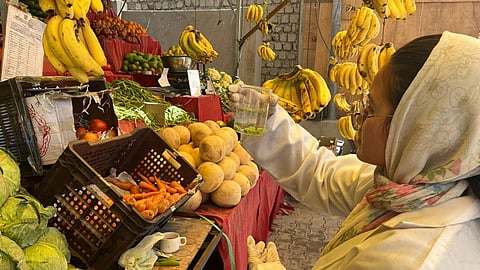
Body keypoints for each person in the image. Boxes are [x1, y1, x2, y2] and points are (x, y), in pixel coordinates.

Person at [230, 31, 480, 269]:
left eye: (371, 109)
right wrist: (267, 121)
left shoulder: (407, 261)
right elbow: (320, 174)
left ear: (415, 130)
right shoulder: (407, 188)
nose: (359, 117)